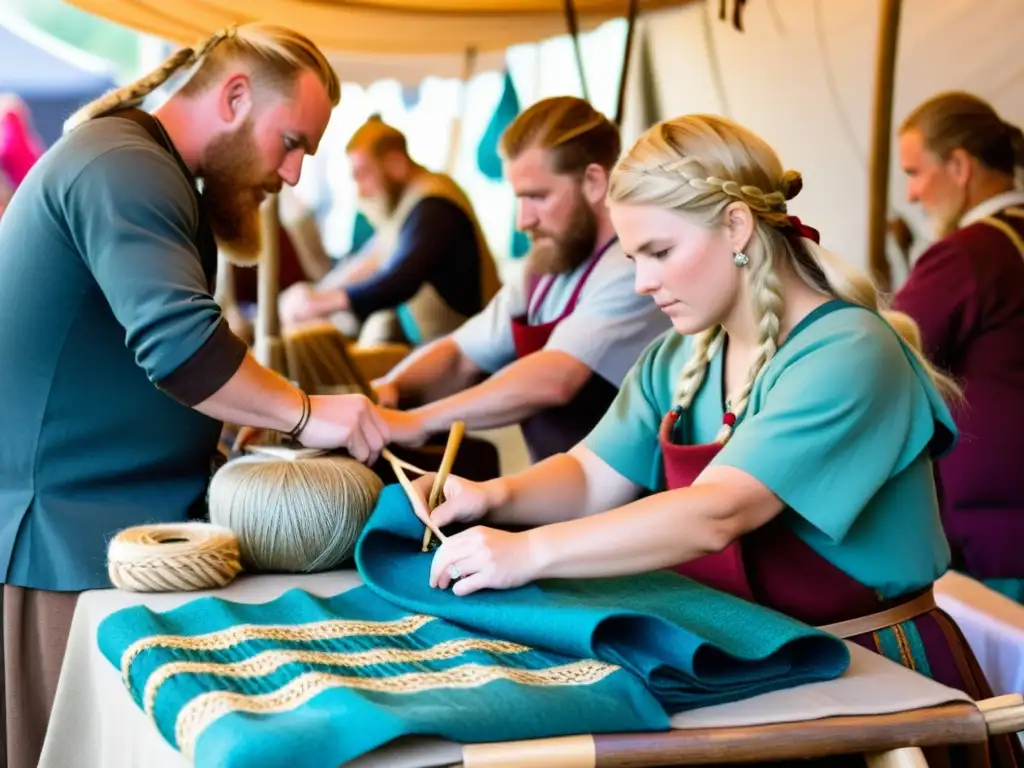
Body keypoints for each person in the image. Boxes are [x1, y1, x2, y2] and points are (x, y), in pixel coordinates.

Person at [414, 113, 1021, 767]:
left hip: (876, 688)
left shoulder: (848, 350)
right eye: (632, 257)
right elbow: (592, 474)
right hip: (756, 670)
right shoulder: (678, 357)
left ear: (736, 225)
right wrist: (491, 497)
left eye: (660, 252)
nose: (643, 281)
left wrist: (526, 552)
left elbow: (717, 512)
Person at [0, 23, 416, 768]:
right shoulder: (123, 166)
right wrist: (308, 414)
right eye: (292, 142)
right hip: (55, 544)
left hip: (104, 533)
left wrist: (235, 430)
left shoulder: (143, 167)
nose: (291, 175)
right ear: (233, 97)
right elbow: (181, 350)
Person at [372, 96, 672, 463]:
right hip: (556, 492)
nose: (523, 220)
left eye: (537, 197)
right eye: (519, 198)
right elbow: (460, 356)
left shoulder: (632, 270)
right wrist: (388, 388)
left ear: (594, 182)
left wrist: (416, 422)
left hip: (632, 503)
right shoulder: (544, 268)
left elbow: (553, 380)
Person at [892, 92, 1024, 601]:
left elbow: (886, 357)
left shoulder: (968, 256)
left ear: (960, 166)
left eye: (915, 172)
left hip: (1000, 535)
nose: (912, 194)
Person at [278, 116, 501, 347]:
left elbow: (400, 280)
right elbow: (369, 261)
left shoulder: (433, 207)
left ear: (396, 163)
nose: (361, 191)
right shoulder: (406, 207)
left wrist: (323, 302)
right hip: (443, 347)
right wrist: (316, 294)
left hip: (472, 351)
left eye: (363, 174)